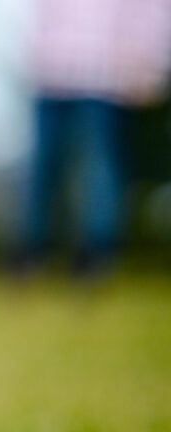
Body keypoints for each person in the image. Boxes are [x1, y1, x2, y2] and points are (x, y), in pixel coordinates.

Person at [11, 0, 171, 277]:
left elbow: (153, 10)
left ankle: (97, 254)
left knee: (102, 167)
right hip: (51, 68)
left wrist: (150, 63)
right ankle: (32, 249)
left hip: (106, 73)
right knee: (41, 167)